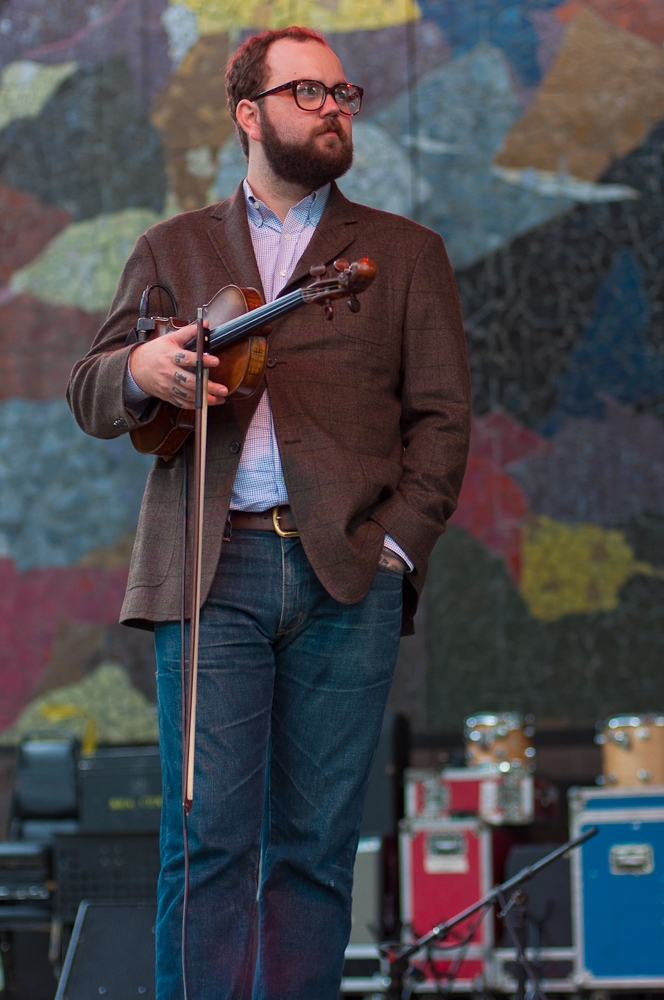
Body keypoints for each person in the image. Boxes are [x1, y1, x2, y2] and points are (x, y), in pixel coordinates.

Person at [67, 25, 470, 1000]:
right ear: (249, 114)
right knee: (204, 841)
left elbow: (443, 419)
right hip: (215, 573)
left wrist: (395, 551)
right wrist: (140, 369)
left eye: (343, 92)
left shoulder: (402, 254)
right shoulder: (174, 247)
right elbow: (88, 389)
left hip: (346, 574)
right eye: (307, 93)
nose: (333, 108)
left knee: (317, 850)